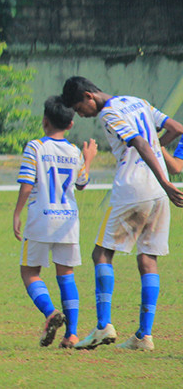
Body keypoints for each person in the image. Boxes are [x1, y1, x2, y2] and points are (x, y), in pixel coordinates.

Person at [61, 76, 183, 351]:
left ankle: (103, 326)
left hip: (133, 190)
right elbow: (176, 128)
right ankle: (144, 336)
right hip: (157, 191)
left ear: (88, 97)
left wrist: (164, 178)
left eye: (80, 109)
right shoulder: (137, 101)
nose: (82, 114)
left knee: (102, 254)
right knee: (148, 259)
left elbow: (139, 143)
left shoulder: (109, 114)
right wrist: (161, 170)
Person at [12, 96, 96, 348]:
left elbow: (27, 185)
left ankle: (50, 312)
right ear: (71, 124)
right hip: (68, 221)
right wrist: (88, 158)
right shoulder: (73, 151)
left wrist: (17, 213)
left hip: (41, 218)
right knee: (66, 275)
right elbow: (81, 184)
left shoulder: (35, 147)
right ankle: (71, 334)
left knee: (29, 271)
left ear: (44, 121)